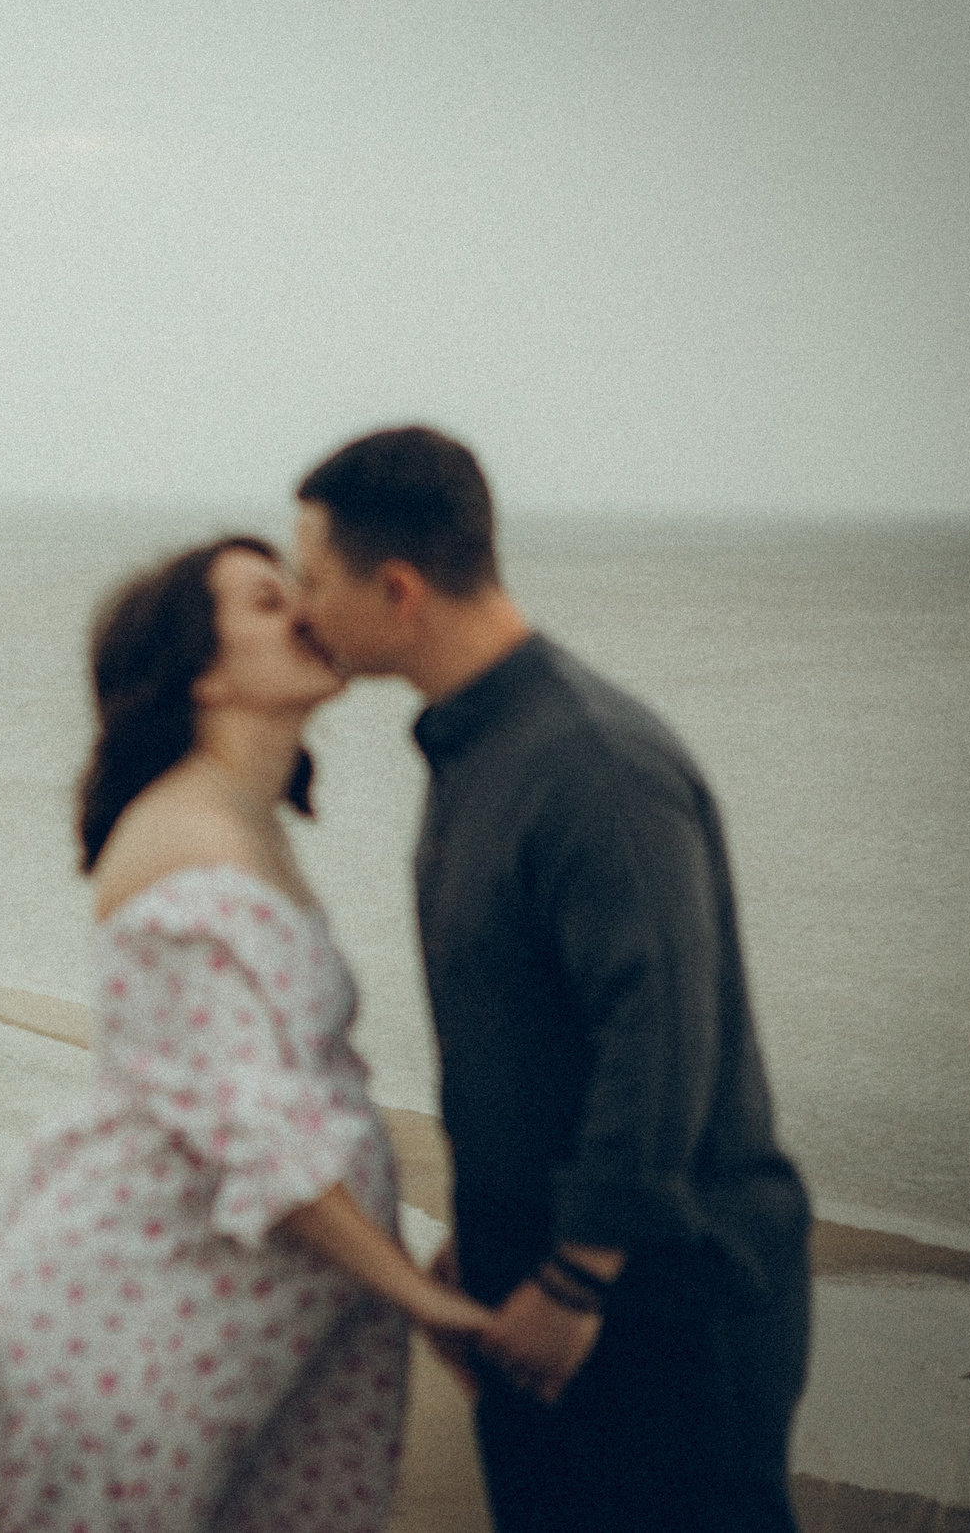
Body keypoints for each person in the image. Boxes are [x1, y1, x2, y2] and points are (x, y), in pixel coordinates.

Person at [290, 426, 812, 1532]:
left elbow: (663, 1030)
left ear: (396, 589)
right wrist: (486, 1235)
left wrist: (576, 1274)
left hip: (664, 1302)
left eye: (313, 580)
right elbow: (526, 1035)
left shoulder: (591, 763)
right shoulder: (475, 747)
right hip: (534, 1279)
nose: (301, 610)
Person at [0, 535, 494, 1533]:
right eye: (267, 601)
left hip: (248, 1328)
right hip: (141, 1325)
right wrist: (428, 1307)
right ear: (203, 672)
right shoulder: (186, 842)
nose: (303, 610)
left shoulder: (240, 821)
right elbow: (258, 1134)